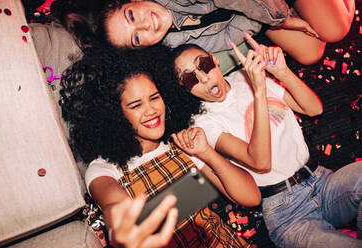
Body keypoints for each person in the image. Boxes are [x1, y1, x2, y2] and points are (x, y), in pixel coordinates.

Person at [59, 44, 261, 247]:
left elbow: (251, 197)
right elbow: (114, 206)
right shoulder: (104, 168)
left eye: (154, 97)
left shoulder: (183, 146)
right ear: (115, 114)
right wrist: (123, 228)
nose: (151, 110)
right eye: (136, 105)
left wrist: (207, 153)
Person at [171, 35, 362, 247]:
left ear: (215, 60)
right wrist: (259, 90)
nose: (204, 78)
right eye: (190, 78)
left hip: (322, 182)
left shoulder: (245, 75)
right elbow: (260, 162)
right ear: (185, 89)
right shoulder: (203, 122)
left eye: (204, 65)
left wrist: (283, 73)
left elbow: (313, 108)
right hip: (286, 212)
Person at [68, 0, 355, 65]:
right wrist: (272, 20)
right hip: (256, 10)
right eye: (136, 37)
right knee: (310, 52)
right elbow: (232, 34)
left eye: (132, 16)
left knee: (335, 30)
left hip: (261, 4)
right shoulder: (173, 39)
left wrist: (285, 20)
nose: (146, 25)